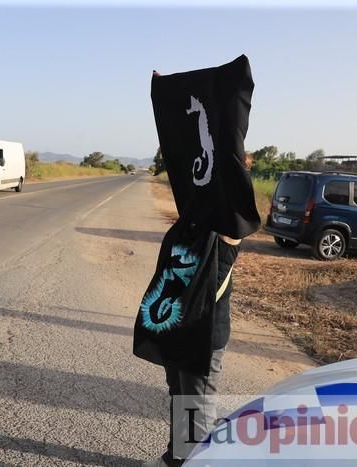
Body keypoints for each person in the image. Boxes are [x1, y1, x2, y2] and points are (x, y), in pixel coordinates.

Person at [143, 152, 254, 467]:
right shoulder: (192, 218)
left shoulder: (230, 223)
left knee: (196, 411)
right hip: (178, 324)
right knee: (180, 397)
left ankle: (196, 461)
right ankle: (176, 457)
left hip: (203, 332)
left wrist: (229, 163)